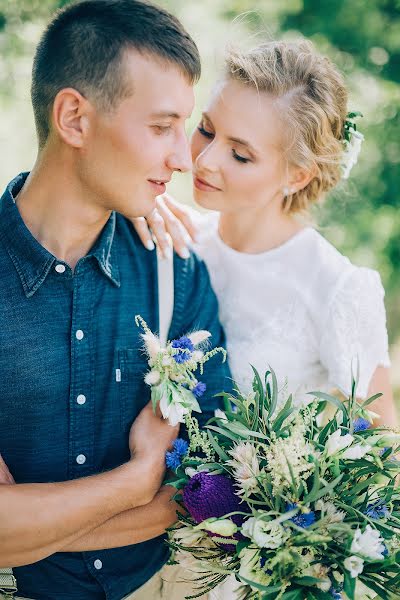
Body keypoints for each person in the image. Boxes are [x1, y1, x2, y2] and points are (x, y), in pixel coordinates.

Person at [0, 1, 231, 599]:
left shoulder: (174, 271)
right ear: (74, 118)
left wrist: (32, 522)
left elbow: (210, 488)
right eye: (161, 127)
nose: (183, 159)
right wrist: (136, 483)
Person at [134, 39, 398, 428]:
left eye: (241, 155)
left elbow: (383, 454)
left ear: (297, 176)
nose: (204, 162)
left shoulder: (337, 288)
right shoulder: (173, 232)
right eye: (206, 131)